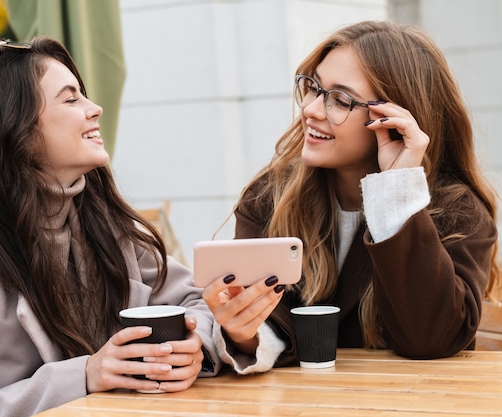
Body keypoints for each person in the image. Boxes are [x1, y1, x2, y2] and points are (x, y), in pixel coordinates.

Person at [0, 36, 220, 417]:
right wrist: (83, 375)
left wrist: (193, 343)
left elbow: (196, 302)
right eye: (71, 99)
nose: (95, 108)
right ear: (13, 127)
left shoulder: (105, 222)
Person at [202, 20, 501, 374]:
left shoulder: (456, 211)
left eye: (340, 100)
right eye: (313, 88)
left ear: (393, 119)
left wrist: (397, 190)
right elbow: (266, 326)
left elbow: (432, 338)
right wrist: (243, 331)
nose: (311, 109)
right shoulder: (271, 196)